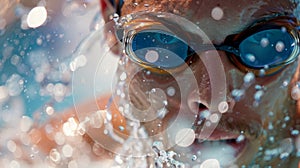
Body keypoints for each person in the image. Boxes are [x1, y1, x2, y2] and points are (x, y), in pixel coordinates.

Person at [2, 0, 300, 167]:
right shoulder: (64, 153)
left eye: (265, 46)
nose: (213, 100)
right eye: (163, 45)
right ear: (111, 24)